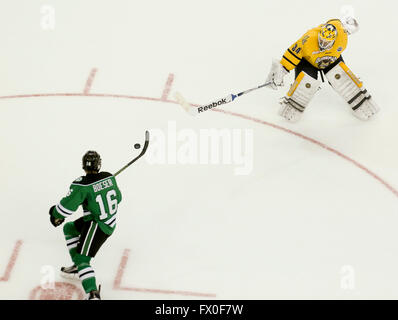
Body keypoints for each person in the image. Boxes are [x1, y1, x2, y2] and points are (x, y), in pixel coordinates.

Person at [266, 14, 379, 122]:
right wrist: (281, 71)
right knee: (305, 85)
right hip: (308, 62)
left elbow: (341, 24)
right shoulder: (308, 38)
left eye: (327, 42)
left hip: (330, 60)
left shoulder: (342, 37)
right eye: (321, 40)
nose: (323, 44)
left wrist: (349, 24)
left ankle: (360, 100)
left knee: (342, 78)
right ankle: (291, 101)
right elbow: (291, 56)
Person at [49, 151, 122, 300]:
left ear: (83, 166)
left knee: (83, 260)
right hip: (106, 220)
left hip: (97, 225)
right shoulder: (109, 177)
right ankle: (77, 268)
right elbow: (118, 198)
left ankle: (92, 293)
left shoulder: (82, 185)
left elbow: (65, 208)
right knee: (69, 228)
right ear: (99, 164)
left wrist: (55, 214)